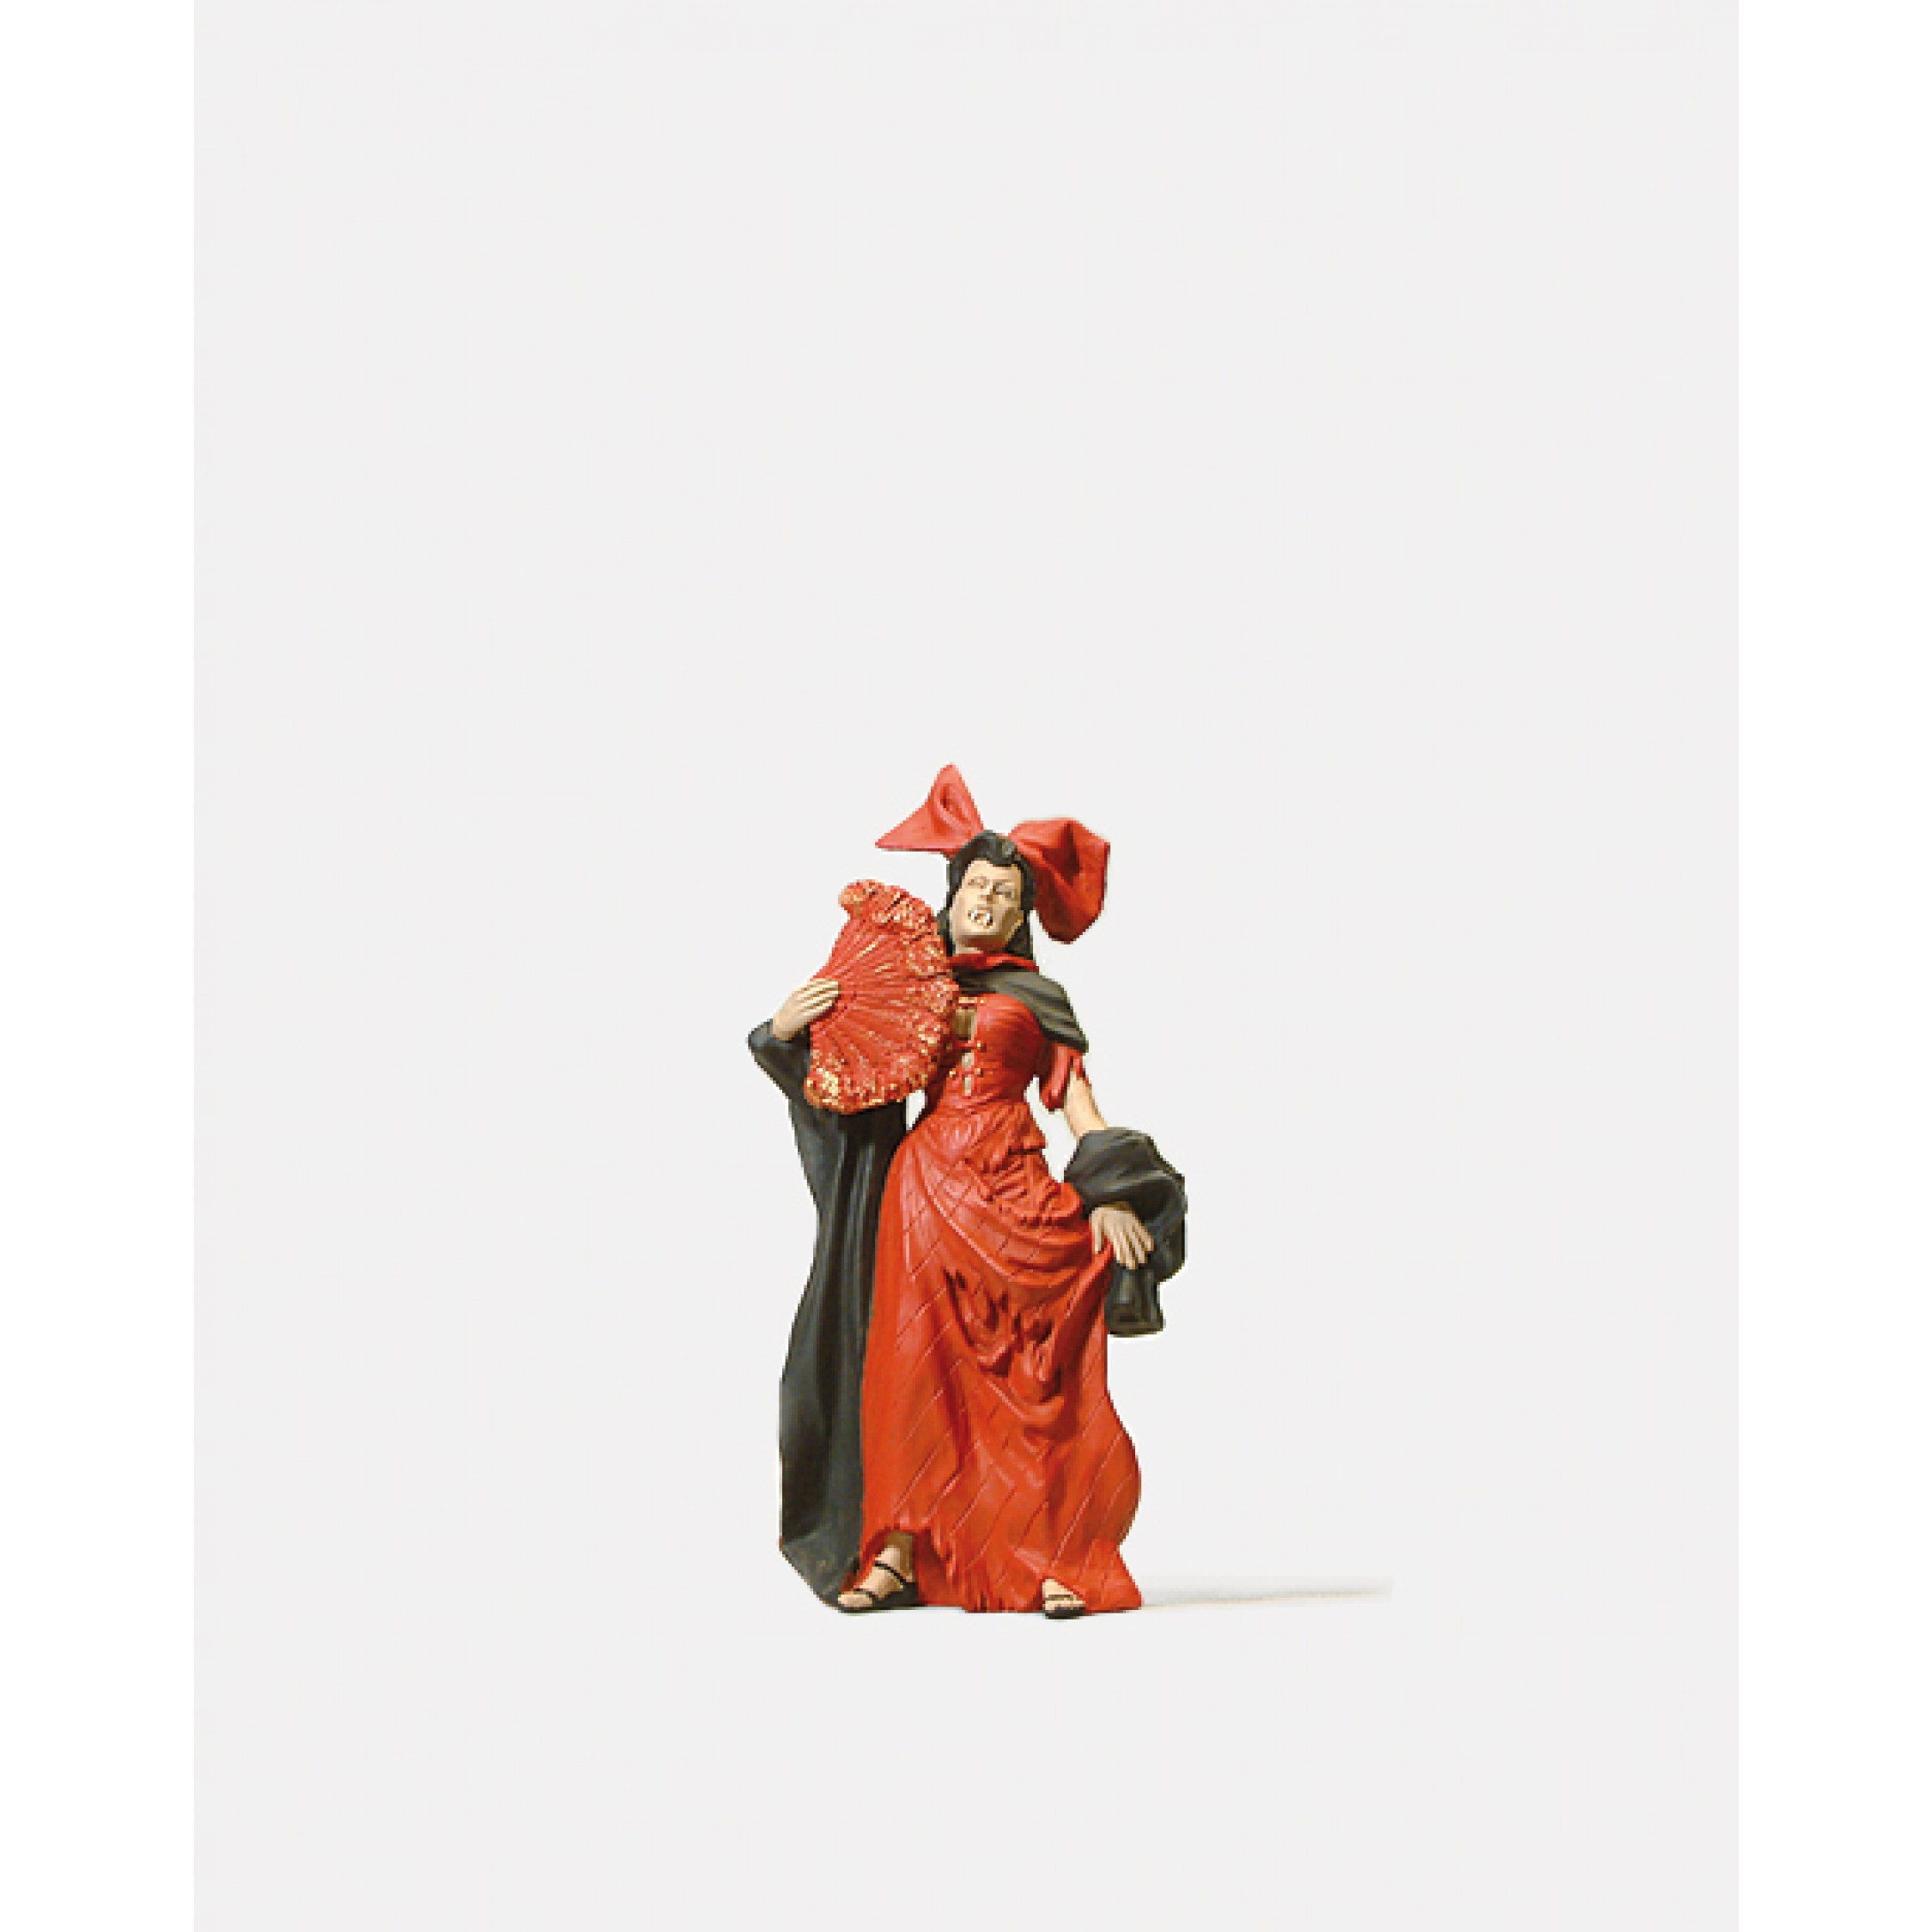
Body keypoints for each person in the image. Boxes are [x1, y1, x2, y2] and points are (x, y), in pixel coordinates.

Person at [750, 767, 1186, 1618]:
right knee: (912, 1367)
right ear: (953, 897)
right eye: (978, 886)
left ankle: (1053, 1550)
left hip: (1015, 1184)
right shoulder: (909, 982)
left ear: (1022, 914)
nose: (988, 900)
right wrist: (787, 1033)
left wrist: (1109, 1190)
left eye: (1005, 893)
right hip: (924, 1191)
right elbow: (851, 1079)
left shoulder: (1039, 996)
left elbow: (1076, 1099)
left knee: (1040, 1374)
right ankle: (896, 1550)